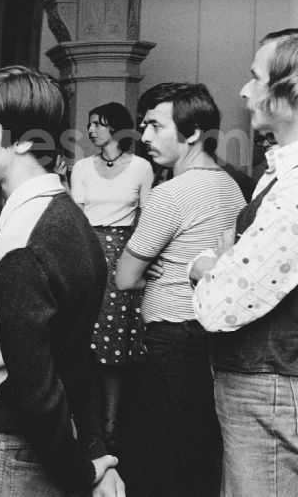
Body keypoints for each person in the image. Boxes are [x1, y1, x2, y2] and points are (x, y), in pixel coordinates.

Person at [0, 66, 122, 497]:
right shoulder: (65, 216)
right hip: (34, 448)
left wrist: (83, 473)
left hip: (9, 453)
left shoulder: (24, 242)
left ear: (25, 139)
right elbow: (73, 355)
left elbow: (34, 389)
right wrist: (93, 451)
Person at [115, 83, 245, 497]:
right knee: (197, 455)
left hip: (171, 338)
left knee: (155, 462)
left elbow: (125, 277)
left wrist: (159, 271)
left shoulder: (170, 194)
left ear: (192, 133)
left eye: (155, 125)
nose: (145, 136)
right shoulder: (232, 185)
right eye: (143, 124)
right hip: (210, 337)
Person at [190, 29, 298, 496]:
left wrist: (204, 268)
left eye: (256, 78)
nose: (244, 91)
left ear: (289, 91)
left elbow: (218, 304)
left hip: (268, 384)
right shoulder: (277, 175)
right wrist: (223, 258)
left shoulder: (293, 189)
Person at [70, 102, 153, 450]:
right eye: (90, 124)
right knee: (81, 339)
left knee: (114, 346)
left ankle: (111, 424)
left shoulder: (141, 168)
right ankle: (81, 422)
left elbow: (148, 218)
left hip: (123, 254)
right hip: (86, 253)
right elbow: (74, 216)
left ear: (117, 129)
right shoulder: (81, 168)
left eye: (99, 124)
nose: (91, 130)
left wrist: (143, 260)